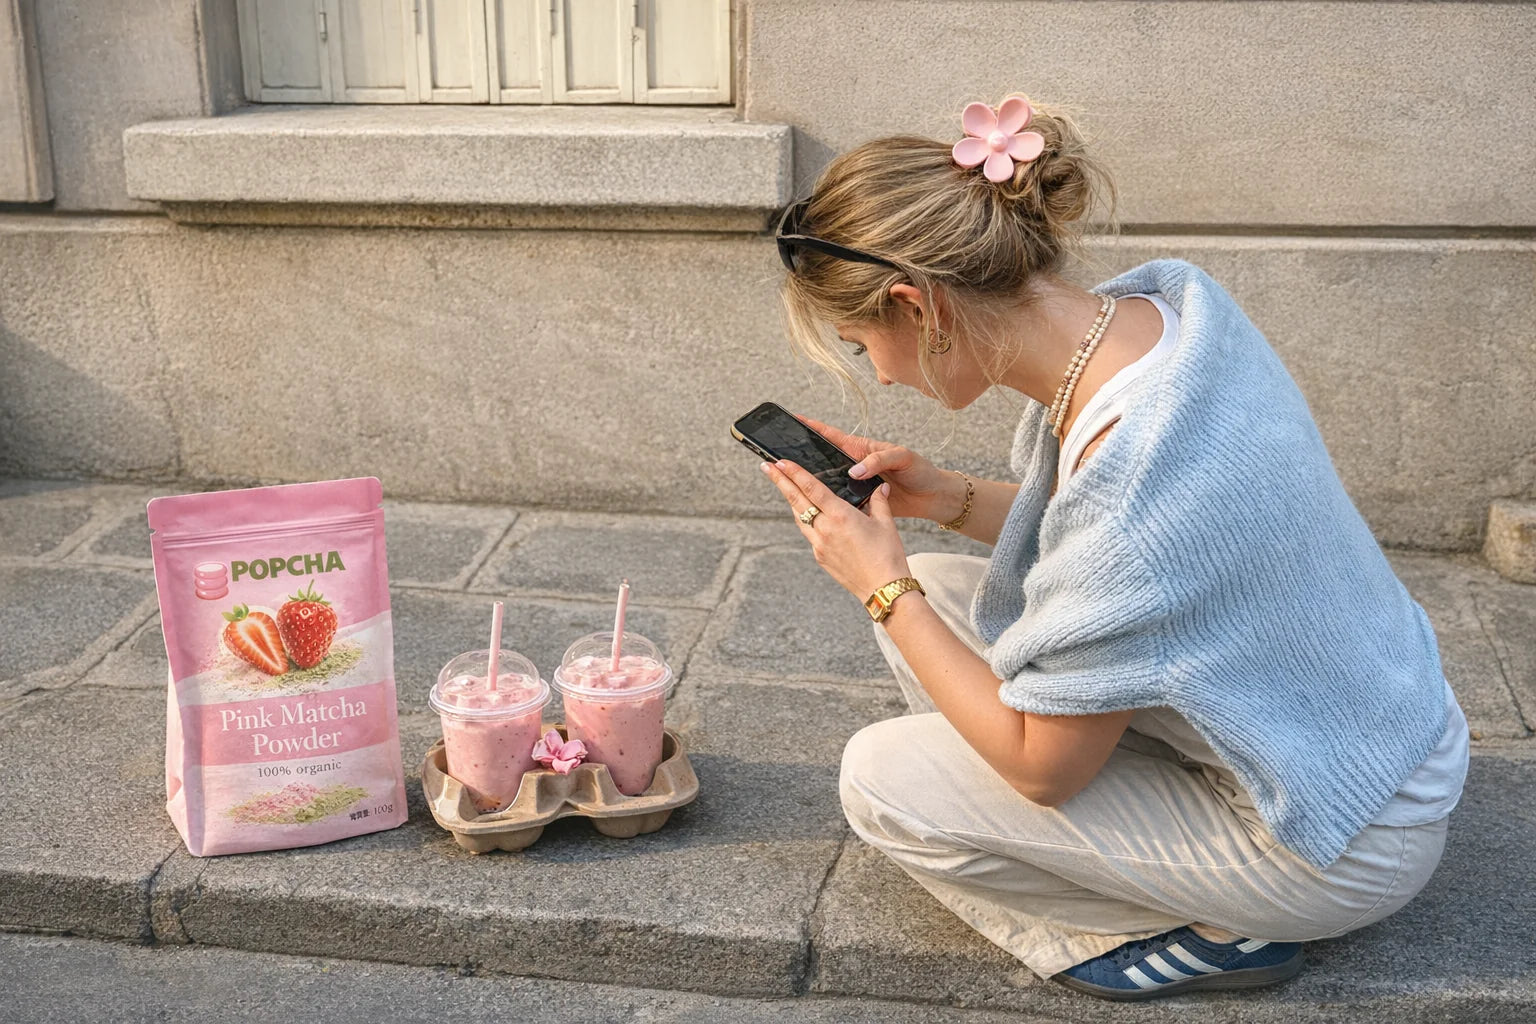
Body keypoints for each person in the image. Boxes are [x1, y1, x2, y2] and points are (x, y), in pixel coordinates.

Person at [757, 93, 1467, 1002]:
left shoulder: (1133, 486)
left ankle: (1210, 932)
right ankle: (1138, 811)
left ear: (916, 305)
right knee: (942, 582)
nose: (883, 377)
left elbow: (1042, 769)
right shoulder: (1164, 317)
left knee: (883, 777)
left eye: (864, 348)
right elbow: (1134, 555)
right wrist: (947, 498)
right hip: (1376, 735)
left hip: (1338, 840)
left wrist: (879, 587)